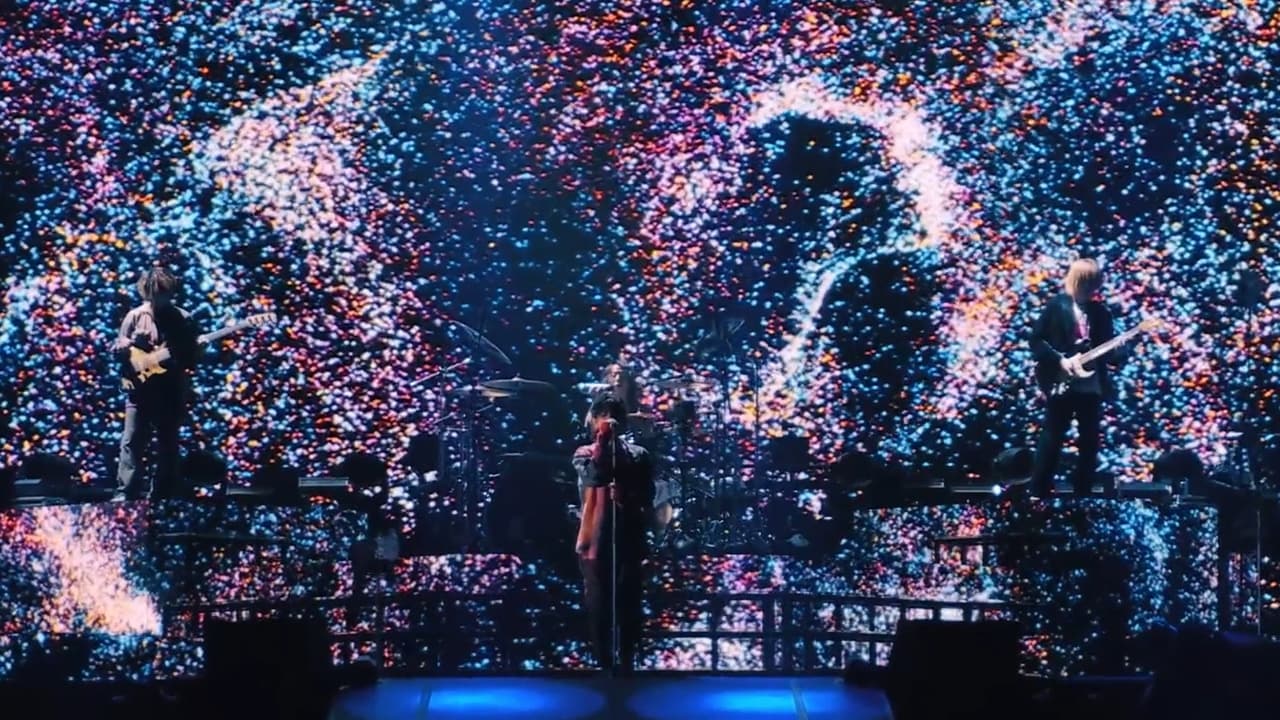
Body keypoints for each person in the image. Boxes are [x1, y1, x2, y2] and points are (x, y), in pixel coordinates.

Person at [1028, 258, 1130, 496]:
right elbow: (1036, 341)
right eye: (1087, 282)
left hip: (1091, 385)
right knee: (1052, 436)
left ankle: (1082, 492)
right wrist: (1060, 360)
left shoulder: (1100, 313)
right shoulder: (1056, 306)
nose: (1090, 289)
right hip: (1061, 381)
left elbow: (1108, 354)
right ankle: (1039, 490)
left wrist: (1119, 352)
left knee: (1090, 441)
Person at [572, 395, 655, 674]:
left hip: (630, 536)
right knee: (599, 601)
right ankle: (604, 661)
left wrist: (628, 493)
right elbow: (594, 476)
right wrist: (603, 442)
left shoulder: (639, 454)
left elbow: (648, 494)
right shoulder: (584, 453)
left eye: (614, 414)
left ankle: (628, 659)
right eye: (603, 415)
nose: (609, 420)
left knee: (630, 599)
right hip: (595, 539)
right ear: (594, 419)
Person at [113, 266, 200, 501]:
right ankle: (126, 491)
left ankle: (164, 493)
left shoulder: (183, 319)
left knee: (167, 442)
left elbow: (190, 358)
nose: (156, 300)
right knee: (132, 441)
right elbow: (120, 352)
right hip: (140, 390)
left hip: (169, 389)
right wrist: (128, 346)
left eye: (161, 293)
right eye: (152, 294)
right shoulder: (134, 316)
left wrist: (191, 352)